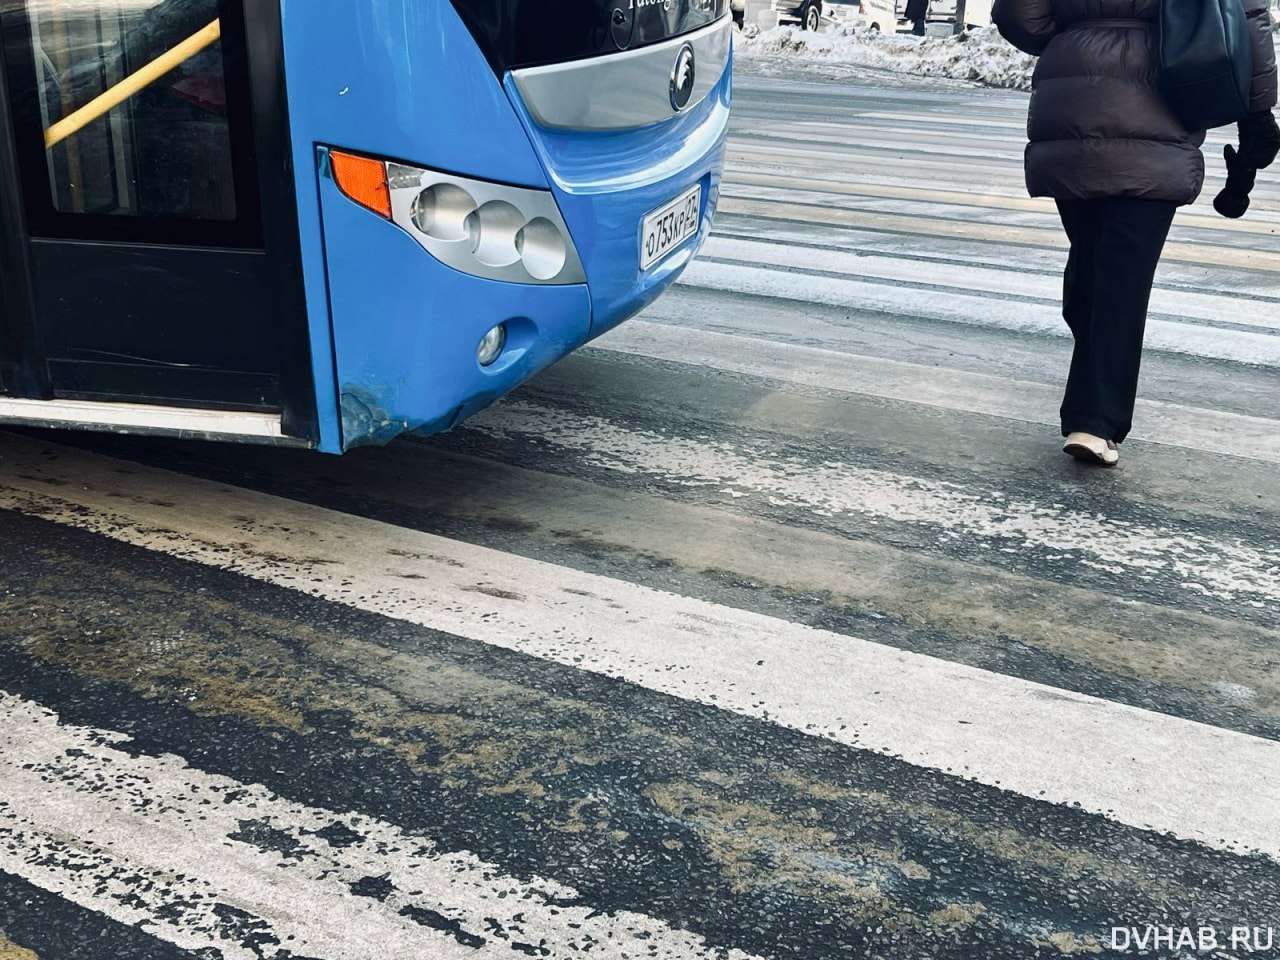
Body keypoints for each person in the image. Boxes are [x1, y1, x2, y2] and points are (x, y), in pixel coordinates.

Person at [991, 0, 1279, 466]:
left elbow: (1018, 15)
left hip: (1076, 93)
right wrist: (1258, 113)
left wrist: (1080, 34)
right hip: (1163, 83)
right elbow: (1246, 16)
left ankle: (1095, 390)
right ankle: (1094, 420)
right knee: (1122, 271)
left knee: (1093, 258)